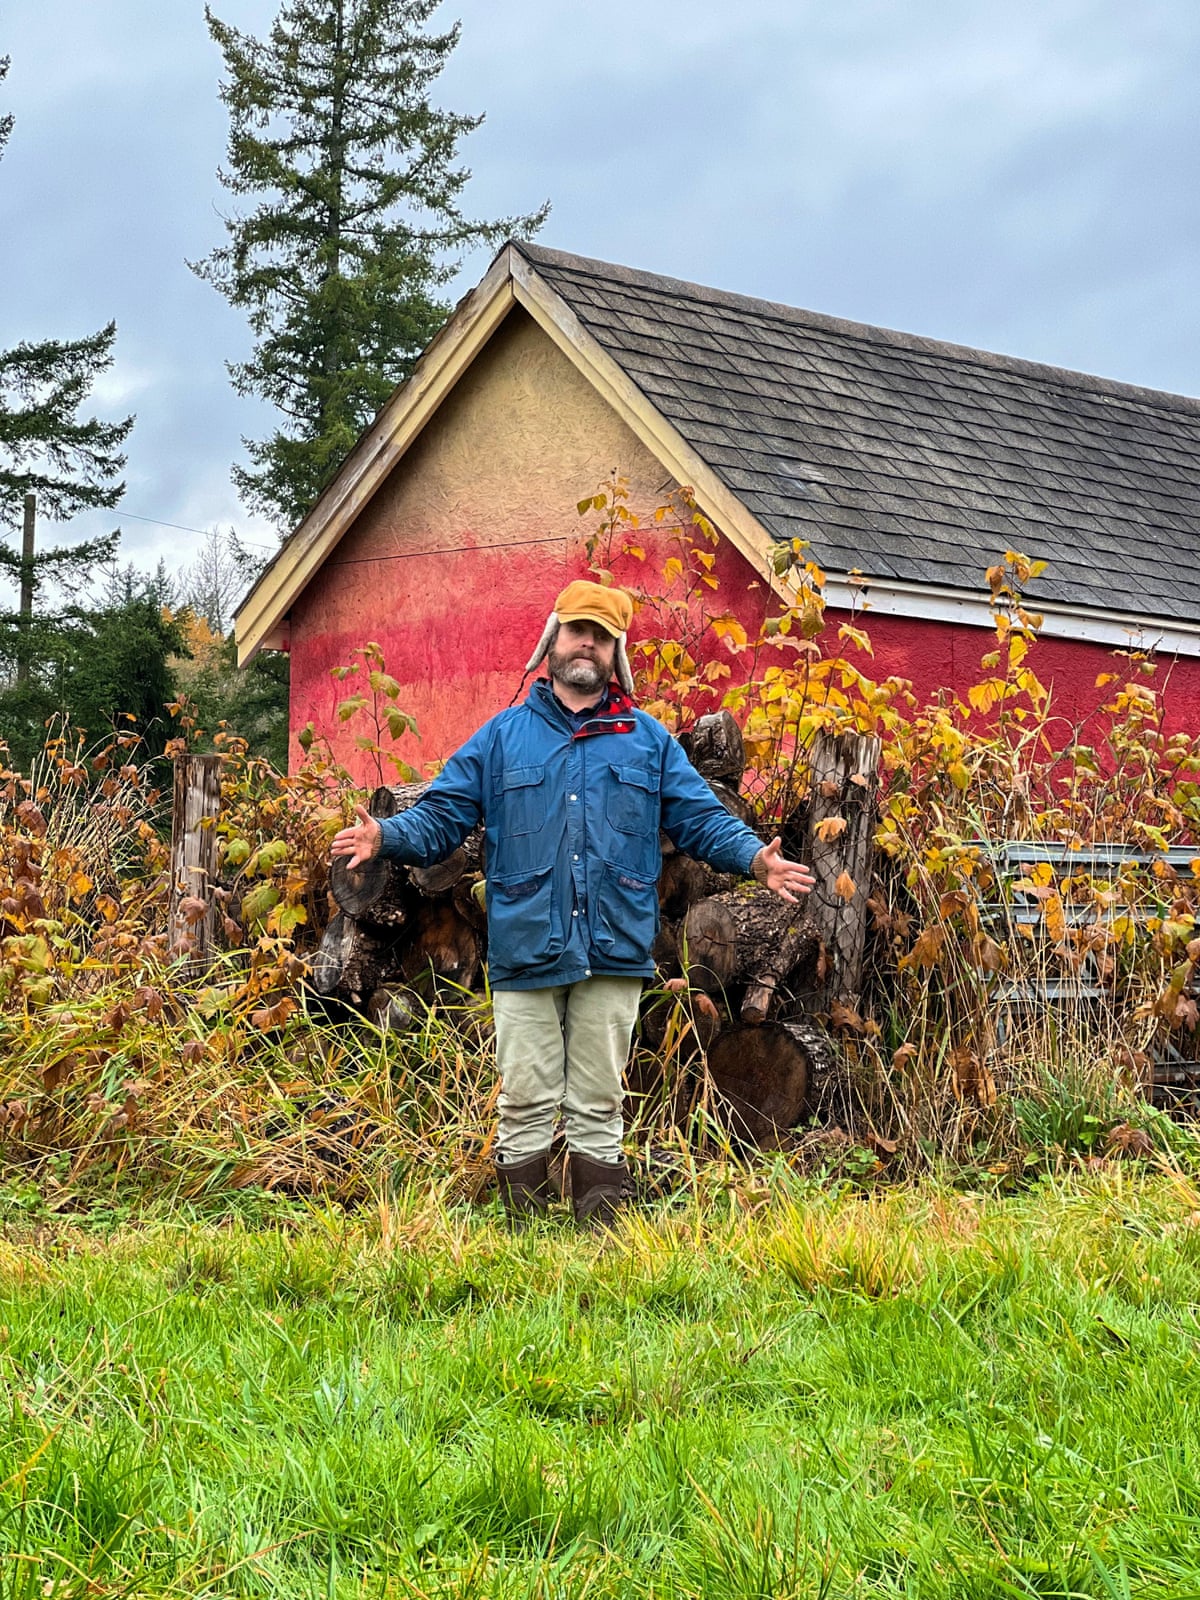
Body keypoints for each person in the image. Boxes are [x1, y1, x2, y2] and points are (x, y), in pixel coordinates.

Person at [331, 580, 814, 1226]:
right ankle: (526, 1232)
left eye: (601, 635)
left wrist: (756, 857)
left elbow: (702, 819)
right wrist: (386, 835)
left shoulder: (649, 743)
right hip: (526, 948)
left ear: (616, 654)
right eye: (576, 629)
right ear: (552, 640)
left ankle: (597, 1232)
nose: (586, 642)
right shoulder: (502, 739)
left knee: (598, 1100)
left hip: (613, 949)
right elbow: (444, 817)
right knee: (525, 1098)